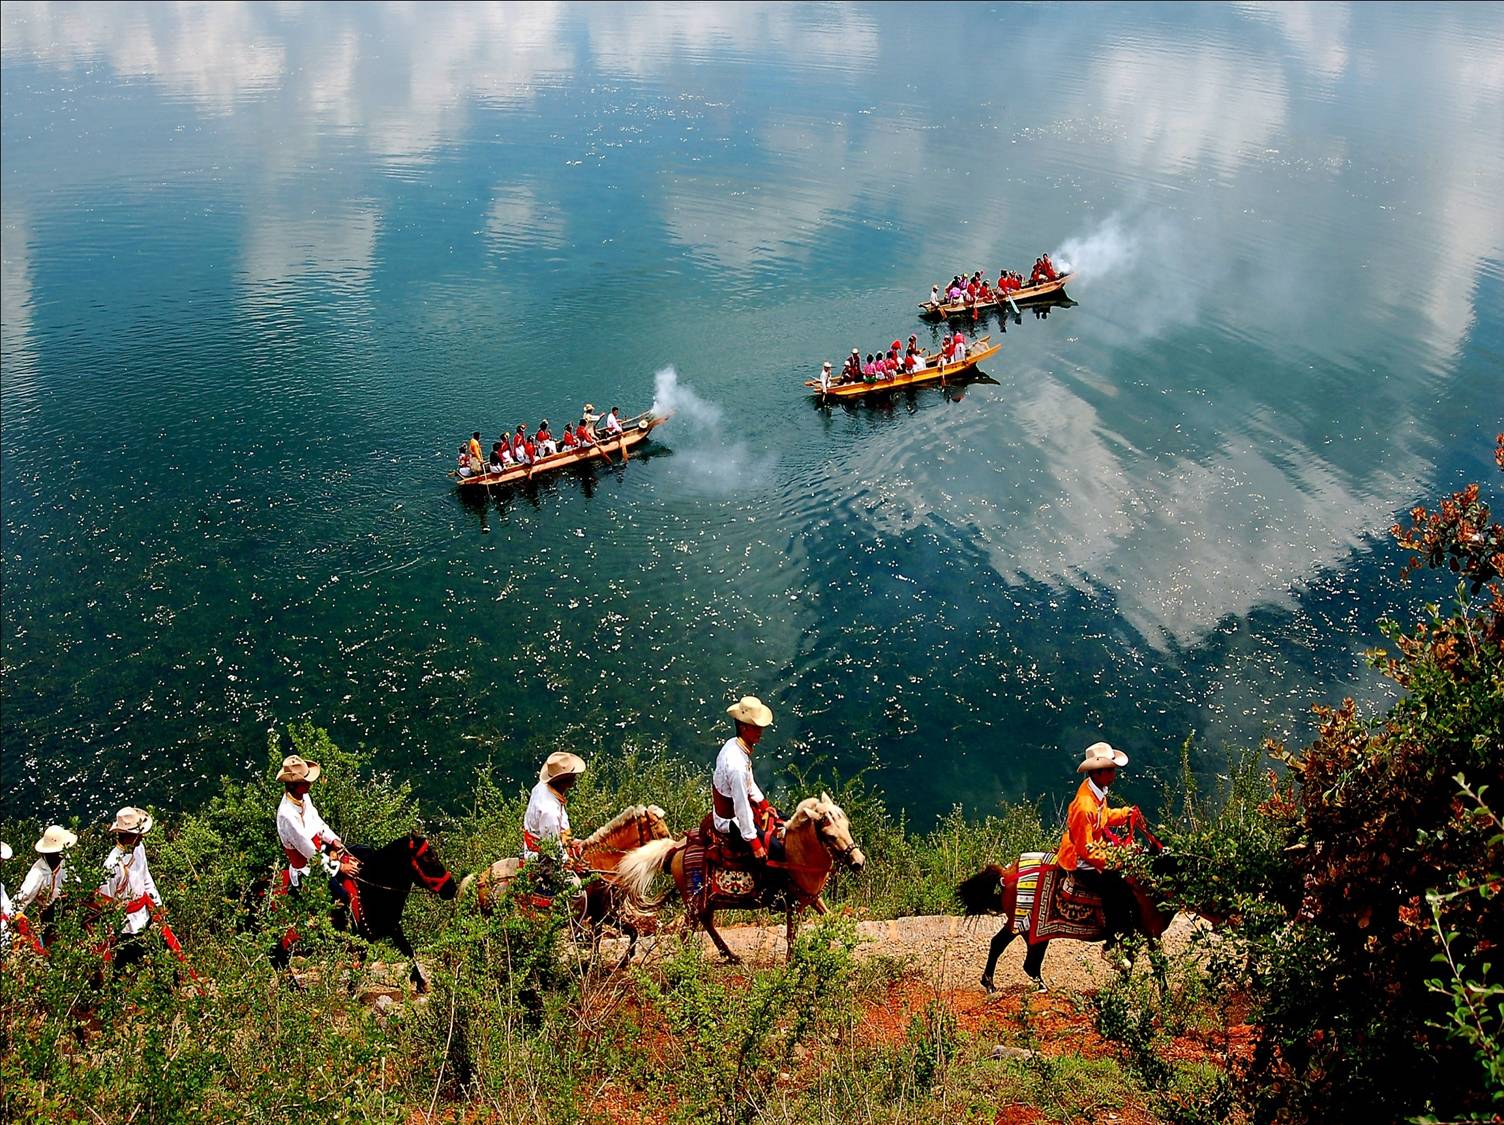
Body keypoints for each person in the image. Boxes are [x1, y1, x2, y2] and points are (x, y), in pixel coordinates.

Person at [270, 754, 360, 971]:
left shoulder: (303, 799)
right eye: (305, 781)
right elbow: (308, 853)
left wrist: (334, 840)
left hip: (321, 855)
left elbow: (318, 823)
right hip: (308, 870)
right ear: (295, 784)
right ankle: (344, 945)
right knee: (342, 897)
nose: (310, 783)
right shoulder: (286, 815)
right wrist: (340, 866)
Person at [1055, 741, 1142, 964]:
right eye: (1111, 770)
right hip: (1081, 860)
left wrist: (1125, 814)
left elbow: (1103, 818)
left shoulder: (1096, 792)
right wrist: (1116, 860)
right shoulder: (1084, 806)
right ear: (1098, 772)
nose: (1114, 774)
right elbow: (1085, 850)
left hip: (1094, 848)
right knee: (1117, 891)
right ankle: (1111, 945)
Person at [709, 697, 783, 870]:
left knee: (783, 819)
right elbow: (741, 806)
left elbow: (748, 783)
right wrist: (755, 843)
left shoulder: (734, 746)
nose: (760, 731)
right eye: (755, 727)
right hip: (730, 820)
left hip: (736, 810)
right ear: (743, 727)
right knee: (778, 852)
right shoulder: (737, 766)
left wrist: (763, 804)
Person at [97, 806, 164, 972]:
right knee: (126, 965)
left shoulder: (139, 848)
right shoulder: (112, 865)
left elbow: (146, 877)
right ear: (127, 835)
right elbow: (105, 900)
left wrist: (158, 903)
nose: (141, 837)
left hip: (145, 914)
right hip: (125, 925)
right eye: (137, 834)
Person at [11, 825, 78, 951]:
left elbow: (75, 881)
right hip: (49, 919)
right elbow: (19, 901)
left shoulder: (65, 862)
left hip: (68, 912)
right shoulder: (37, 874)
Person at [522, 752, 586, 863]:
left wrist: (567, 837)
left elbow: (561, 814)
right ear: (565, 780)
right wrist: (567, 861)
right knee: (574, 880)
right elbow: (552, 849)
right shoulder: (550, 811)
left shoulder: (543, 786)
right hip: (540, 855)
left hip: (543, 838)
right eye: (572, 775)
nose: (575, 777)